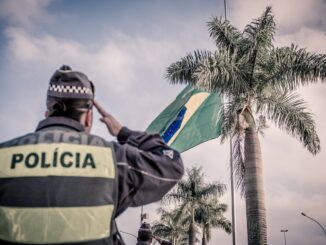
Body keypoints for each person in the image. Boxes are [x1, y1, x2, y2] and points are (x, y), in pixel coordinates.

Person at [0, 65, 184, 245]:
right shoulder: (113, 159)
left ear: (47, 113)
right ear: (89, 117)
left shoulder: (4, 156)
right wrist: (123, 132)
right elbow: (171, 165)